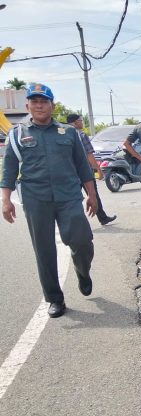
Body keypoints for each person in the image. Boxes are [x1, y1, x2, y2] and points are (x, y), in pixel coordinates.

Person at [1, 83, 97, 318]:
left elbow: (83, 167)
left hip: (69, 197)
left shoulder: (69, 132)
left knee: (82, 241)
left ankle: (82, 272)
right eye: (34, 102)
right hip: (36, 199)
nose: (39, 105)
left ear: (52, 105)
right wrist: (6, 200)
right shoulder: (17, 134)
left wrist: (92, 195)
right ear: (28, 106)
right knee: (43, 250)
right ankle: (55, 298)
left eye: (44, 101)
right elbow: (9, 169)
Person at [66, 113, 116, 225]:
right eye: (80, 120)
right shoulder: (81, 135)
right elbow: (89, 155)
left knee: (72, 198)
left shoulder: (64, 135)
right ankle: (102, 218)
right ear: (74, 122)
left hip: (70, 172)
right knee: (93, 195)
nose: (82, 122)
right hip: (84, 171)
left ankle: (72, 221)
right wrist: (98, 169)